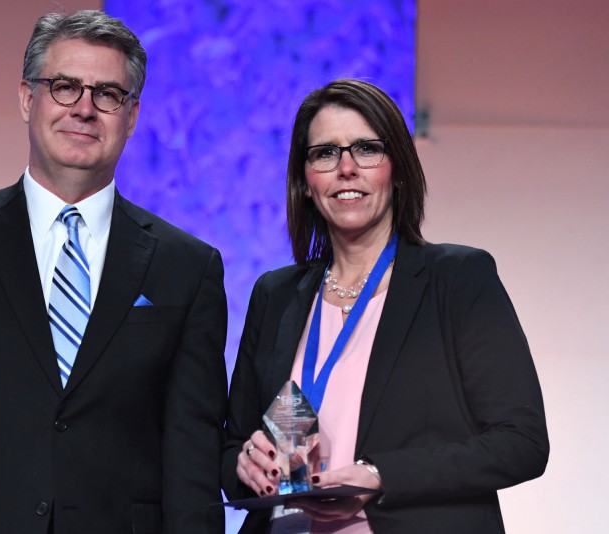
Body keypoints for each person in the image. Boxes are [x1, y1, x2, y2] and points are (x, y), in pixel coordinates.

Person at [0, 10, 228, 534]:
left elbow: (192, 461)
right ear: (28, 98)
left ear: (132, 115)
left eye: (108, 94)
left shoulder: (188, 267)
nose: (85, 109)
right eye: (65, 87)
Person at [221, 79, 548, 533]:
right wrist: (249, 465)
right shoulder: (275, 294)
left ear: (396, 169)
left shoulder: (457, 279)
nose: (346, 168)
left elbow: (522, 443)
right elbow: (233, 446)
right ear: (305, 181)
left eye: (367, 148)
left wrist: (379, 475)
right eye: (325, 153)